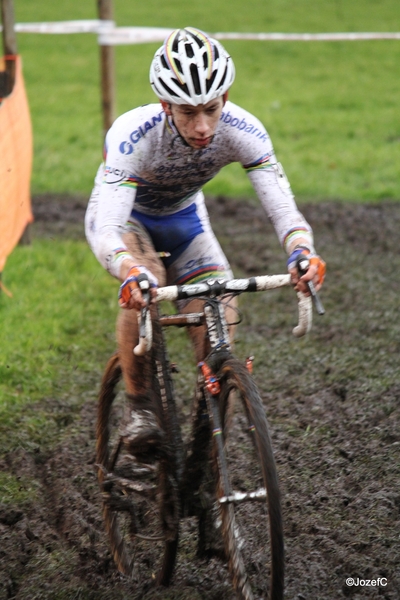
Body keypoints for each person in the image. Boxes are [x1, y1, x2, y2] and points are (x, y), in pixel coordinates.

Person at [85, 26, 326, 455]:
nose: (202, 127)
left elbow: (284, 210)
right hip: (129, 223)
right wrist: (128, 268)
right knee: (148, 282)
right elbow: (107, 228)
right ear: (165, 105)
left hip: (186, 225)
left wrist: (301, 251)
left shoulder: (243, 130)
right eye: (187, 113)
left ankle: (211, 469)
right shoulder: (132, 135)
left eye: (211, 109)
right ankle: (138, 409)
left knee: (220, 326)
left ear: (226, 100)